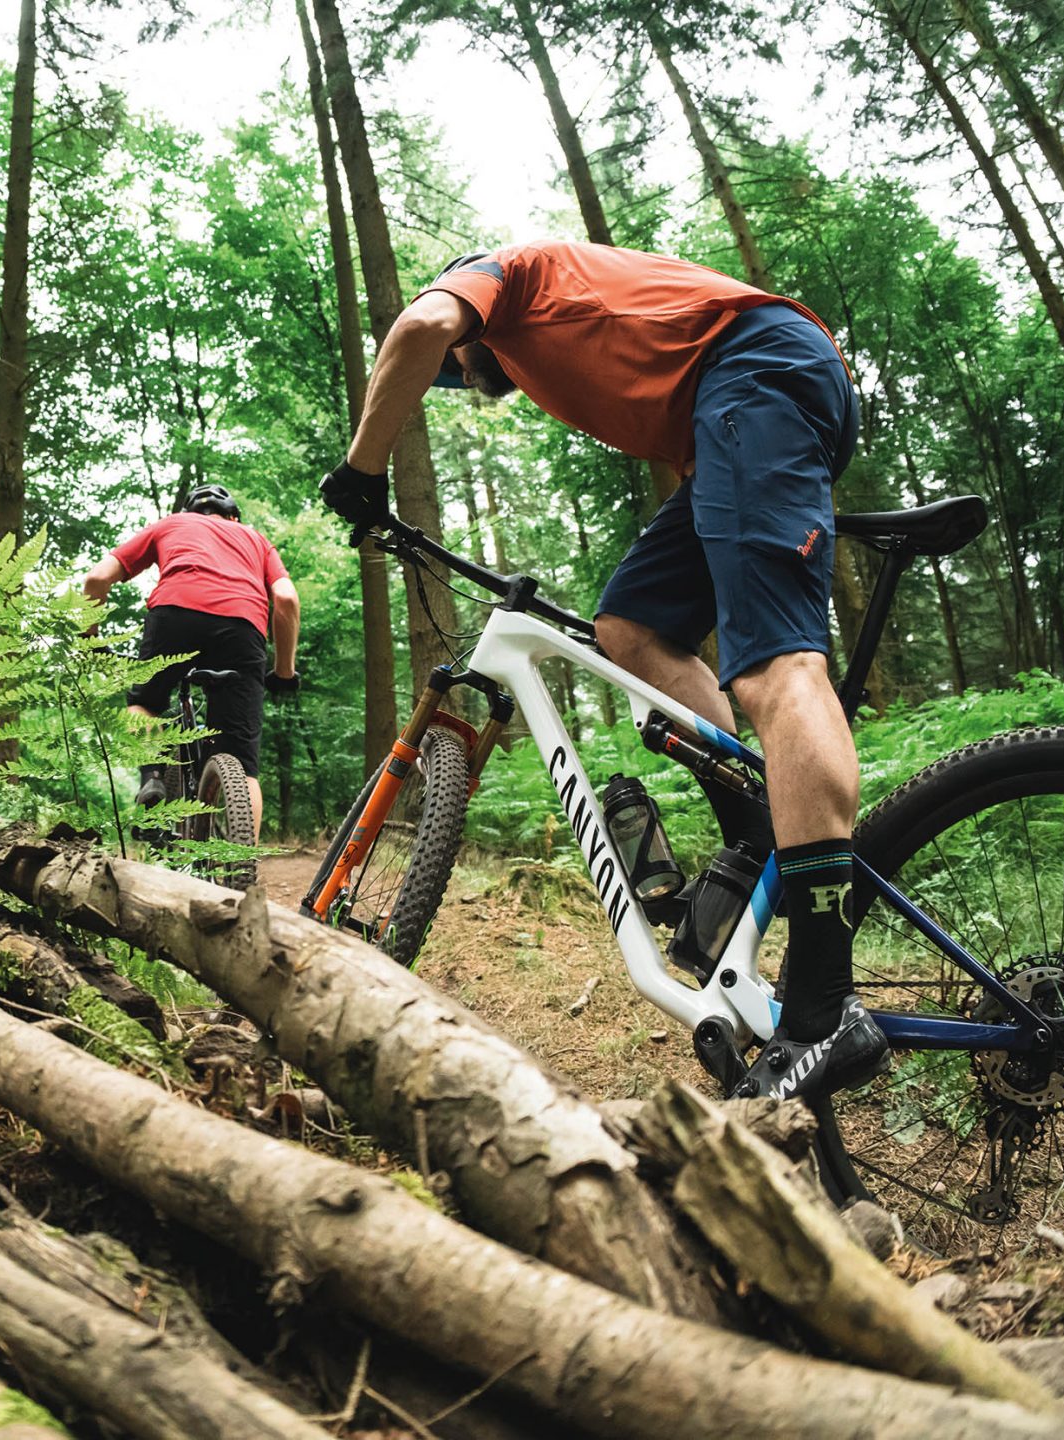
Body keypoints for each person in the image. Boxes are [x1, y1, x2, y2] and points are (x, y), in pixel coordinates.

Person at [318, 239, 882, 1105]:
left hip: (756, 376)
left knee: (772, 669)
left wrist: (363, 470)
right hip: (729, 415)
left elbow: (423, 324)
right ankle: (757, 837)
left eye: (459, 371)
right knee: (632, 628)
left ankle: (824, 1003)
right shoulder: (551, 329)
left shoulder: (503, 276)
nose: (462, 379)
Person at [84, 484, 301, 831]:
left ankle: (153, 775)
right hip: (243, 627)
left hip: (175, 613)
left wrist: (90, 638)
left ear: (189, 513)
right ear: (233, 517)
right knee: (244, 766)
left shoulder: (170, 524)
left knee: (145, 704)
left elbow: (96, 578)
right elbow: (286, 599)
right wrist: (284, 671)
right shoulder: (254, 538)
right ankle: (243, 871)